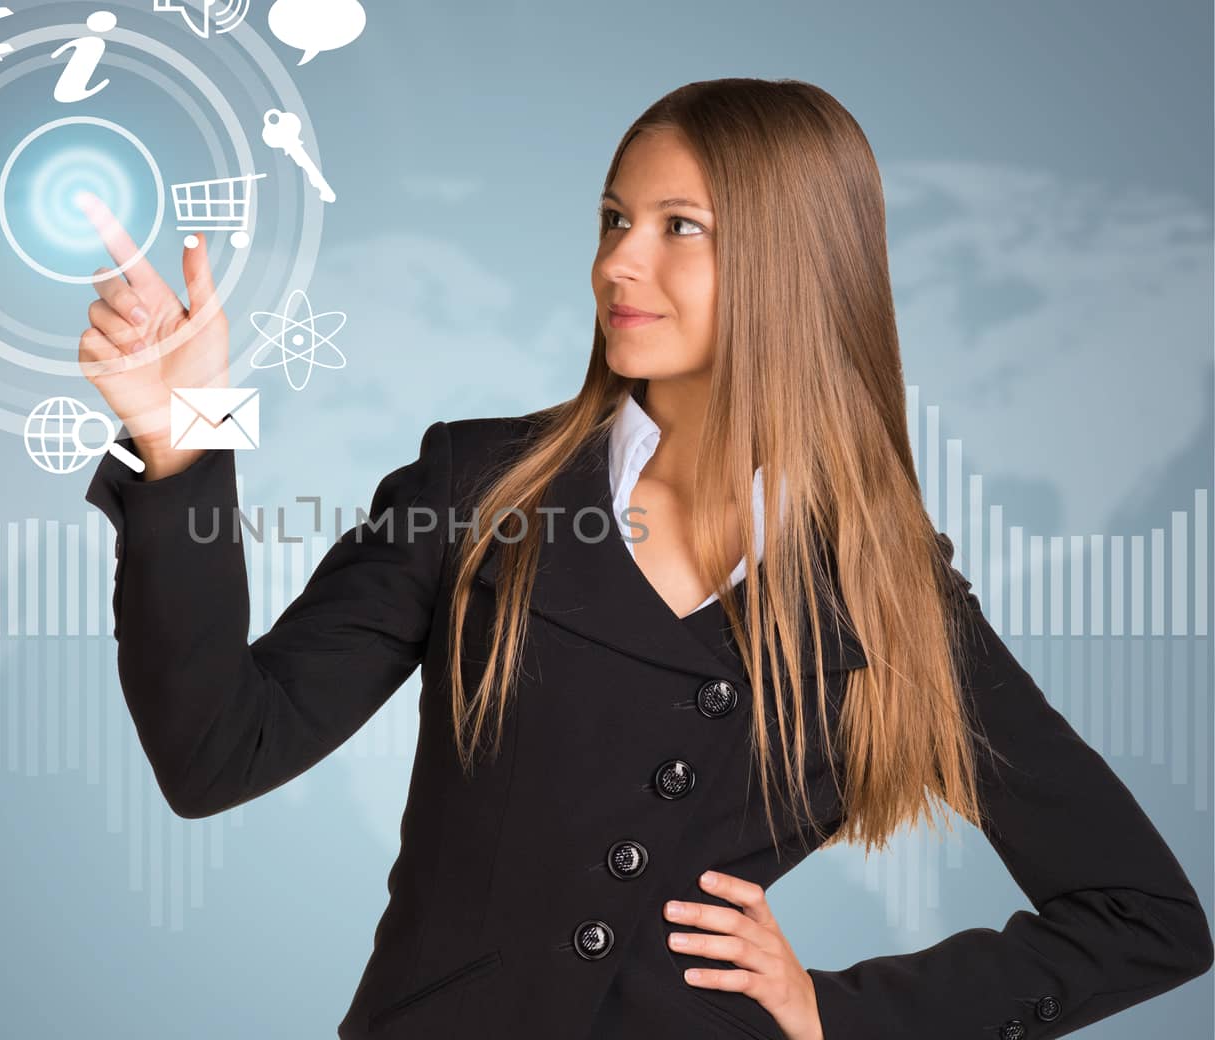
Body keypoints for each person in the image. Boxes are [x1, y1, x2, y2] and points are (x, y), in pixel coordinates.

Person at [76, 78, 1213, 1040]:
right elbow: (218, 751)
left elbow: (1145, 914)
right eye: (614, 218)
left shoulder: (885, 591)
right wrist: (181, 444)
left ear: (795, 266)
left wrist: (834, 1011)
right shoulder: (479, 488)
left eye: (680, 227)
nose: (619, 261)